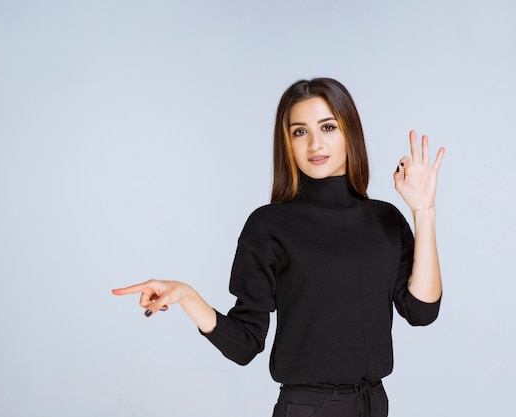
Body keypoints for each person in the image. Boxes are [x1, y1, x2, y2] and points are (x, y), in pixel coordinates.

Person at [112, 77, 445, 417]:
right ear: (287, 142)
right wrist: (186, 295)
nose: (315, 143)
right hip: (309, 408)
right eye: (300, 132)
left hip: (374, 403)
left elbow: (421, 311)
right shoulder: (269, 225)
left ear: (350, 133)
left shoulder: (385, 220)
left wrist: (423, 211)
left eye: (327, 127)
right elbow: (244, 344)